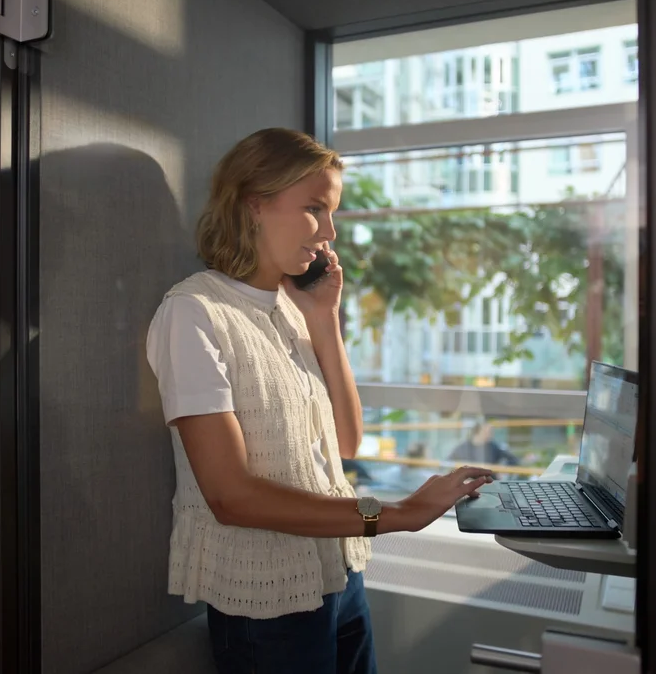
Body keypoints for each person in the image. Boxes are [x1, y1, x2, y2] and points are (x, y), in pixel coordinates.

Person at [147, 128, 493, 674]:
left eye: (331, 213)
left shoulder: (291, 307)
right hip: (265, 601)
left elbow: (347, 441)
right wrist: (399, 513)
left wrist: (325, 320)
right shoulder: (193, 313)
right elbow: (231, 497)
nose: (329, 232)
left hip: (339, 572)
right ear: (253, 203)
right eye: (314, 209)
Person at [448, 421, 519, 467]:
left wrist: (502, 469)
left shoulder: (493, 447)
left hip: (489, 483)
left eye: (491, 432)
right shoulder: (462, 448)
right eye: (488, 432)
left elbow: (513, 460)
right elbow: (448, 464)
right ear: (477, 432)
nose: (491, 435)